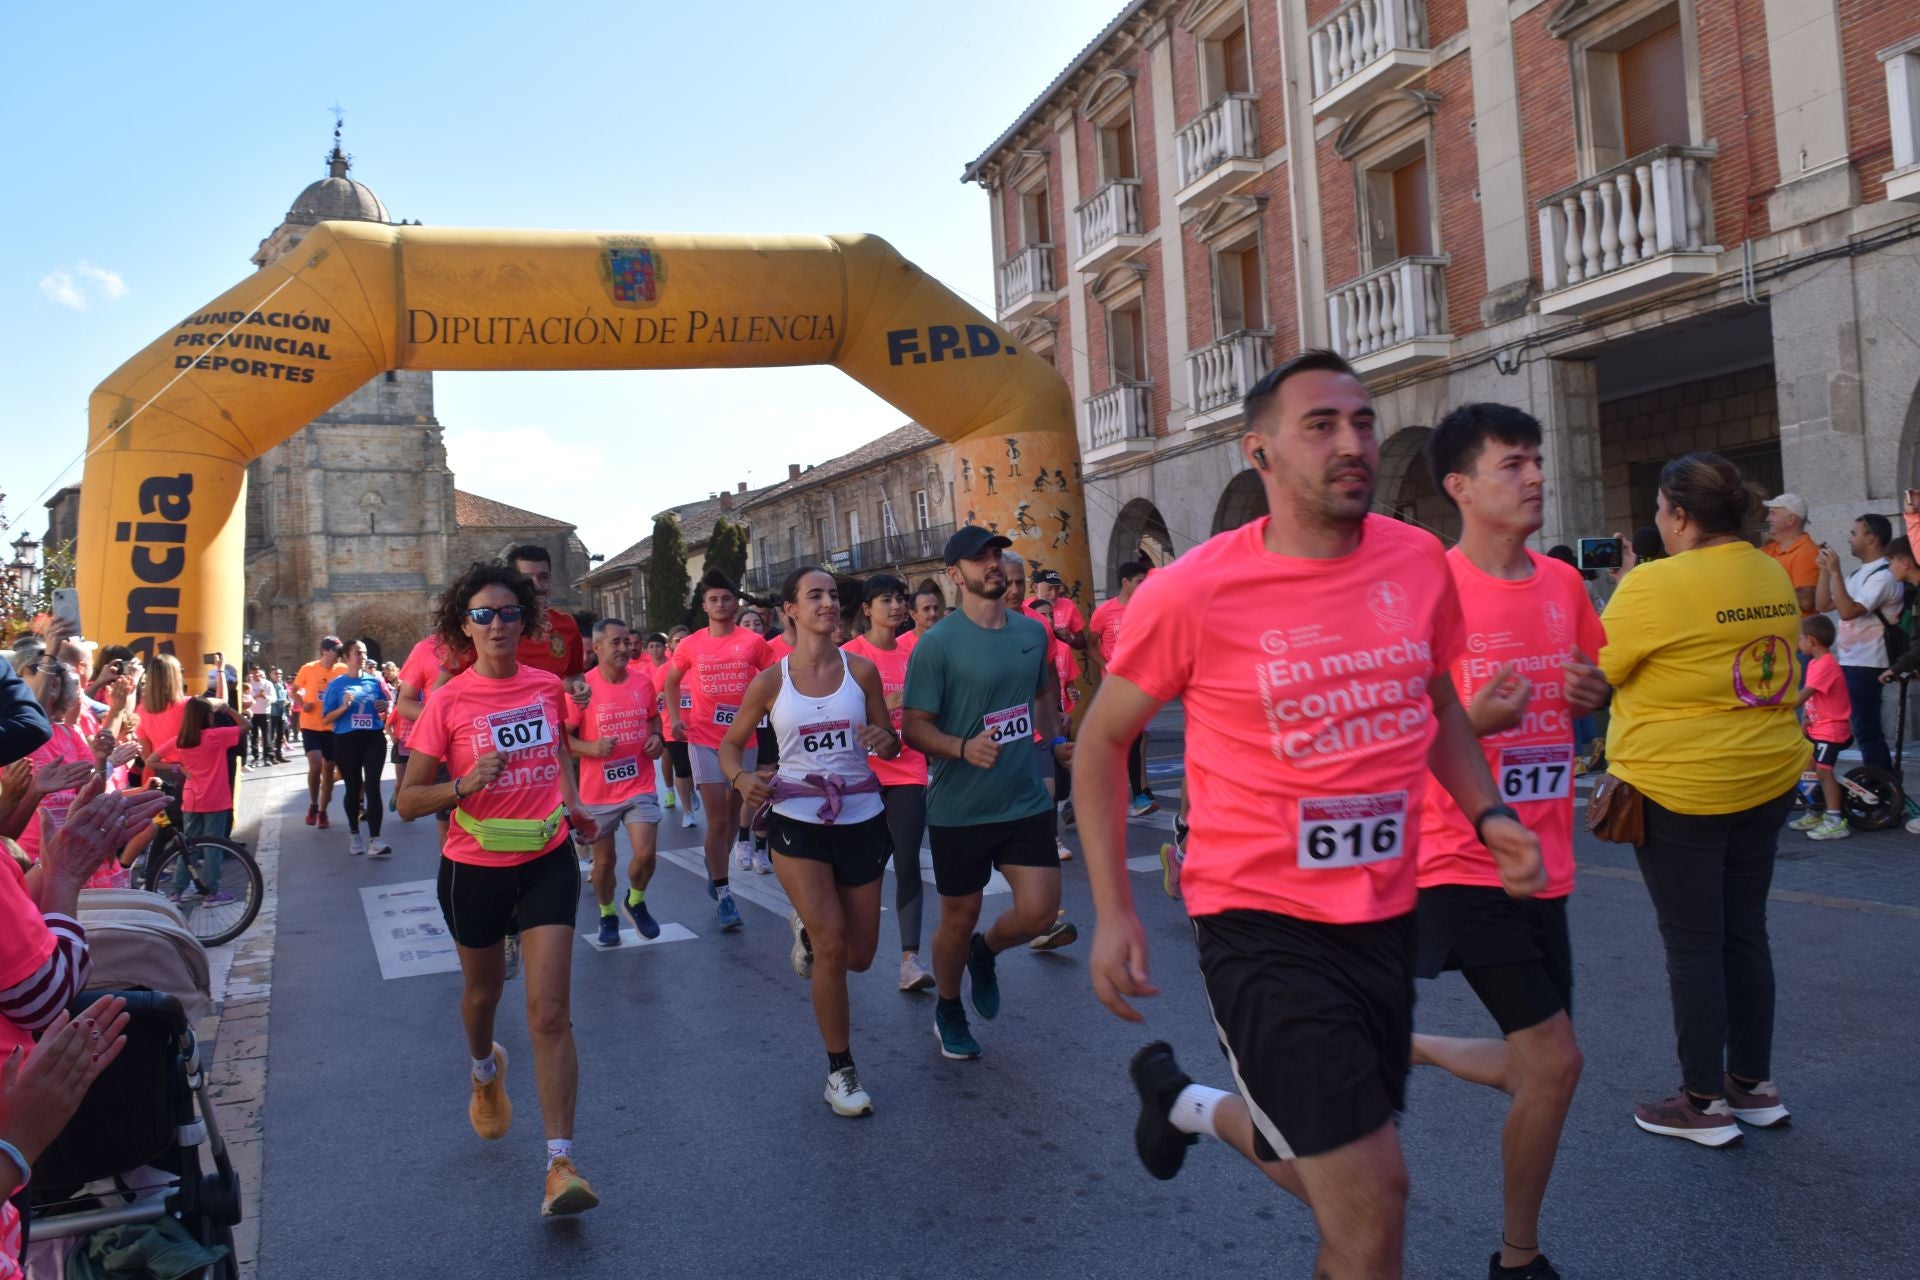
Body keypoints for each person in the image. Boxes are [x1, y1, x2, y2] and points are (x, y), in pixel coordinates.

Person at [1076, 350, 1543, 1280]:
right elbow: (1098, 744)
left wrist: (1486, 810)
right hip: (1259, 926)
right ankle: (1198, 1107)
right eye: (1321, 426)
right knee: (1373, 1213)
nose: (1352, 442)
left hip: (1382, 915)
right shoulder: (1190, 590)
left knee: (1331, 1171)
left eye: (1363, 422)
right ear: (1261, 452)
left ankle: (1184, 1105)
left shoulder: (1418, 561)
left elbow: (1439, 703)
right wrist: (1113, 912)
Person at [1412, 404, 1610, 1280]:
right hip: (1459, 857)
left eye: (1537, 460)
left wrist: (1590, 692)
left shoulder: (1564, 585)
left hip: (1546, 859)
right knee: (1556, 1062)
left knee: (1535, 1069)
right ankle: (1518, 1259)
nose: (1535, 476)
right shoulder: (1430, 592)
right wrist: (1469, 721)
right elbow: (1392, 733)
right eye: (1513, 464)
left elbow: (1591, 686)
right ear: (1460, 487)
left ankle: (1403, 1042)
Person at [1598, 451, 1805, 1147]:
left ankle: (1703, 1103)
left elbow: (1604, 668)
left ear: (1680, 517)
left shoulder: (1653, 583)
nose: (1658, 522)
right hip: (1769, 774)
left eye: (1661, 511)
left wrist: (1629, 588)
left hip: (1681, 785)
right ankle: (1753, 1086)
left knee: (1693, 944)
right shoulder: (1769, 566)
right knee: (1745, 931)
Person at [398, 561, 601, 1216]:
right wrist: (465, 783)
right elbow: (407, 801)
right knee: (483, 995)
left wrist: (570, 802)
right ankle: (485, 1069)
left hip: (547, 857)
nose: (497, 624)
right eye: (482, 614)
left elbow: (559, 753)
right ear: (464, 625)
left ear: (525, 621)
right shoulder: (448, 701)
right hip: (473, 867)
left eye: (508, 613)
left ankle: (561, 1163)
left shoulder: (546, 688)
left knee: (549, 1012)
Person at [723, 567, 902, 1115]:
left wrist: (884, 739)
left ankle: (806, 926)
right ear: (790, 612)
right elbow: (732, 745)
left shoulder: (863, 672)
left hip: (862, 815)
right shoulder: (770, 682)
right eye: (814, 595)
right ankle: (840, 1071)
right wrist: (740, 779)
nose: (828, 603)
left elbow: (890, 745)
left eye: (832, 595)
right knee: (830, 945)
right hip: (797, 817)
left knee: (862, 956)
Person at [901, 526, 1077, 1061]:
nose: (993, 564)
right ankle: (949, 1006)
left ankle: (987, 952)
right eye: (979, 559)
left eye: (996, 554)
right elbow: (913, 727)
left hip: (1023, 798)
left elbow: (1043, 690)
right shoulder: (936, 645)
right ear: (956, 576)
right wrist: (960, 747)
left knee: (1041, 913)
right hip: (960, 809)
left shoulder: (1031, 633)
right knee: (958, 916)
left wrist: (1059, 740)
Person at [841, 572, 935, 991]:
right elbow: (832, 714)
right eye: (885, 600)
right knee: (858, 866)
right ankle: (825, 929)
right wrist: (880, 703)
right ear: (866, 609)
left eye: (900, 599)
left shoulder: (918, 652)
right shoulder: (848, 655)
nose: (896, 606)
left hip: (908, 768)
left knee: (909, 859)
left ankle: (909, 960)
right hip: (861, 773)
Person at [665, 570, 774, 931]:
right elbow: (671, 680)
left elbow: (775, 677)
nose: (720, 605)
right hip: (703, 738)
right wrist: (676, 718)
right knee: (718, 818)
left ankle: (718, 868)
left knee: (731, 815)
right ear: (704, 605)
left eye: (726, 599)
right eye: (713, 600)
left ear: (735, 602)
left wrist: (775, 714)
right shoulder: (692, 644)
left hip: (743, 740)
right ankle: (725, 895)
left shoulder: (753, 642)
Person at [566, 618, 665, 945]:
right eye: (616, 643)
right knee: (604, 862)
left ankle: (635, 902)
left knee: (646, 854)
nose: (625, 648)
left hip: (639, 783)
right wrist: (590, 748)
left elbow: (653, 718)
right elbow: (560, 739)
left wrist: (656, 737)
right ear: (597, 648)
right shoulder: (582, 689)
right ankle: (607, 913)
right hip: (599, 791)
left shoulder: (643, 682)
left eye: (627, 641)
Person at [1002, 551, 1081, 939]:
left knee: (1045, 806)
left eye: (1020, 581)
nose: (1015, 590)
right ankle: (1025, 914)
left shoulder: (1038, 627)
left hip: (1034, 737)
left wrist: (1057, 739)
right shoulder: (972, 629)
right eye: (1008, 581)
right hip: (991, 748)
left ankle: (1044, 918)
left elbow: (1047, 687)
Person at [1814, 512, 1900, 773]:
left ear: (1871, 538)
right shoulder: (1857, 575)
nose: (1849, 539)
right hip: (1851, 660)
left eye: (1854, 533)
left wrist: (1836, 572)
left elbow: (1849, 611)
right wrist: (1824, 573)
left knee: (1866, 726)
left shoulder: (1883, 576)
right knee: (1859, 724)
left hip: (1869, 661)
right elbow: (1823, 605)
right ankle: (1874, 781)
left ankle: (1880, 785)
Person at [150, 695, 248, 904]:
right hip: (216, 798)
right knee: (213, 847)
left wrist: (177, 767)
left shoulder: (180, 741)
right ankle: (212, 892)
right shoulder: (216, 736)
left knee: (188, 846)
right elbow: (246, 725)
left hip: (192, 798)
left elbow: (152, 759)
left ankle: (177, 891)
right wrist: (228, 709)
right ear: (207, 717)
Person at [1088, 561, 1158, 817]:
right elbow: (1090, 644)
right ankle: (1137, 796)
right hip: (1117, 686)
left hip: (1142, 684)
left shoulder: (1147, 610)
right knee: (1132, 737)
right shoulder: (1104, 612)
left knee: (1135, 739)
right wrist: (1106, 666)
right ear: (1125, 582)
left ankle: (1131, 792)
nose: (1144, 585)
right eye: (1140, 581)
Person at [320, 642, 394, 856]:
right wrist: (344, 707)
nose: (362, 657)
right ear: (345, 657)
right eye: (357, 653)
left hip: (373, 737)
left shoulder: (374, 681)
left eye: (364, 653)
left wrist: (384, 707)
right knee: (353, 788)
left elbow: (385, 705)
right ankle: (354, 833)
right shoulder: (336, 685)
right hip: (346, 740)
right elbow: (326, 719)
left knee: (372, 786)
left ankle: (375, 839)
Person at [1787, 614, 1853, 841]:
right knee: (1809, 768)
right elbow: (1813, 697)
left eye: (1800, 639)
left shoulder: (1826, 664)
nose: (1798, 643)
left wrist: (1785, 704)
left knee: (1824, 773)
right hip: (1818, 726)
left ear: (1812, 640)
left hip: (1831, 729)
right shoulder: (1815, 663)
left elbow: (1806, 693)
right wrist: (1806, 718)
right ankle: (1815, 811)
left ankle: (1835, 820)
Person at [293, 636, 347, 828]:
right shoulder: (308, 668)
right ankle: (313, 805)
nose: (340, 655)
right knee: (316, 766)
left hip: (332, 726)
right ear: (325, 650)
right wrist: (302, 704)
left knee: (328, 769)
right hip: (311, 725)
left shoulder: (342, 670)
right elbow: (294, 689)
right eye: (337, 651)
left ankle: (323, 811)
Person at [1760, 493, 1819, 615]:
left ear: (1791, 520)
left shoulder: (1807, 551)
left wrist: (1764, 589)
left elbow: (1806, 601)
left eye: (1773, 513)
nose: (1767, 519)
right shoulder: (1769, 548)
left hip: (1798, 631)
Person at [246, 667, 273, 766]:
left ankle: (267, 757)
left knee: (266, 735)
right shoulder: (249, 685)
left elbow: (273, 698)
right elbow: (245, 697)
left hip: (265, 712)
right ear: (251, 673)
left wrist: (265, 696)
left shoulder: (267, 684)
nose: (256, 676)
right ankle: (255, 757)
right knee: (254, 736)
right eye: (254, 674)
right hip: (252, 713)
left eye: (258, 674)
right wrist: (255, 696)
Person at [267, 667, 290, 761]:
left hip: (282, 713)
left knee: (280, 735)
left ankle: (279, 755)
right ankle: (270, 756)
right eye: (276, 673)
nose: (278, 675)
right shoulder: (269, 685)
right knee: (271, 735)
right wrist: (282, 701)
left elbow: (287, 696)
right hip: (273, 713)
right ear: (271, 675)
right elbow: (270, 699)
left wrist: (289, 702)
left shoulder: (283, 684)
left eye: (280, 674)